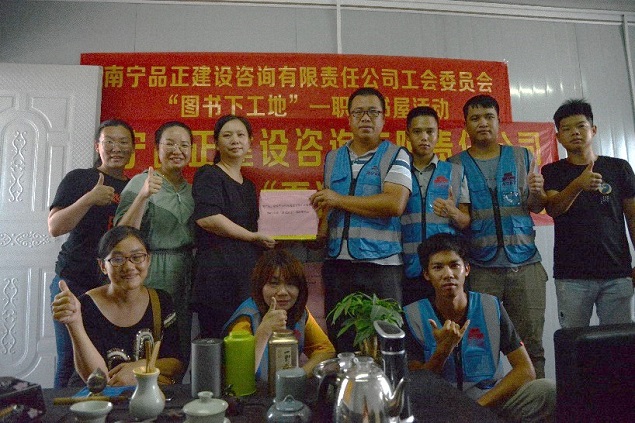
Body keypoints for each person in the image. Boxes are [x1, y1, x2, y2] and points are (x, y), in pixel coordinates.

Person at [404, 233, 556, 422]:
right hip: (441, 411)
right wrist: (442, 351)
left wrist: (475, 409)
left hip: (488, 403)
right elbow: (418, 387)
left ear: (467, 269)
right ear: (427, 274)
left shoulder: (490, 307)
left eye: (454, 265)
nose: (448, 274)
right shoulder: (413, 315)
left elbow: (525, 370)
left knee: (547, 390)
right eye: (438, 267)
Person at [448, 95, 548, 378]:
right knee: (481, 346)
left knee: (532, 345)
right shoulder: (454, 165)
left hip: (525, 266)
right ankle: (489, 402)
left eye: (488, 117)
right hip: (481, 269)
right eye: (475, 118)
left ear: (499, 121)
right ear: (466, 125)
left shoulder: (521, 157)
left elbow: (536, 206)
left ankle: (537, 399)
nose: (483, 123)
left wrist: (538, 192)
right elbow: (458, 218)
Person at [309, 87, 412, 352]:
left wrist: (338, 199)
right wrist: (319, 231)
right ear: (349, 118)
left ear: (384, 118)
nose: (365, 118)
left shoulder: (396, 155)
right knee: (340, 339)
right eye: (358, 112)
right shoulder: (333, 158)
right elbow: (328, 204)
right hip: (337, 264)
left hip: (381, 265)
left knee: (384, 342)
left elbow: (394, 203)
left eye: (373, 112)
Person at [48, 119, 134, 388]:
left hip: (112, 288)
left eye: (123, 142)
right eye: (109, 142)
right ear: (98, 147)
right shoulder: (80, 178)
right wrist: (89, 198)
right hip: (74, 281)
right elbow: (55, 227)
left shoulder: (134, 187)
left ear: (133, 147)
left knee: (106, 359)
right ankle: (62, 408)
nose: (116, 148)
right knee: (69, 360)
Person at [542, 99, 635, 328]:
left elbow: (633, 217)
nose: (575, 132)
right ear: (558, 137)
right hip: (572, 275)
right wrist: (578, 184)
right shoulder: (552, 171)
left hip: (617, 271)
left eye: (581, 126)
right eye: (566, 128)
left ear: (593, 130)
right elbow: (554, 209)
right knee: (574, 342)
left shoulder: (618, 167)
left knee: (619, 340)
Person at [51, 226, 183, 386]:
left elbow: (175, 363)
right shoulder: (86, 305)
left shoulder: (161, 301)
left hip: (144, 395)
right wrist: (74, 324)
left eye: (137, 257)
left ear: (148, 260)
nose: (129, 267)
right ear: (102, 266)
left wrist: (138, 369)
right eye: (118, 259)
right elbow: (96, 377)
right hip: (97, 397)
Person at [115, 121, 195, 365]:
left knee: (180, 341)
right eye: (169, 144)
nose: (177, 150)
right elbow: (120, 233)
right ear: (157, 148)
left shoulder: (193, 189)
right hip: (150, 269)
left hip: (186, 271)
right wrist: (143, 196)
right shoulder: (140, 182)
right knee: (149, 337)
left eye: (184, 145)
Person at [191, 114, 276, 338]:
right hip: (216, 278)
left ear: (250, 142)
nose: (235, 140)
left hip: (246, 276)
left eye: (241, 135)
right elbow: (208, 218)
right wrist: (252, 236)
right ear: (216, 143)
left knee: (246, 341)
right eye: (227, 135)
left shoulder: (248, 186)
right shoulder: (209, 174)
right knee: (217, 343)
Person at [223, 249, 335, 379]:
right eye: (274, 283)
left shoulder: (299, 312)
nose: (283, 292)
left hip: (285, 390)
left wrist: (299, 376)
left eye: (291, 284)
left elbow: (326, 351)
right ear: (260, 286)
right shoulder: (245, 319)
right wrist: (264, 330)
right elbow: (239, 376)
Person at [401, 106, 471, 305]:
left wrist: (453, 213)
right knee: (412, 320)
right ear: (407, 135)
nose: (424, 137)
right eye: (417, 131)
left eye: (430, 131)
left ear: (438, 134)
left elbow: (465, 221)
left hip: (445, 269)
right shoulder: (397, 171)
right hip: (407, 266)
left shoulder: (455, 172)